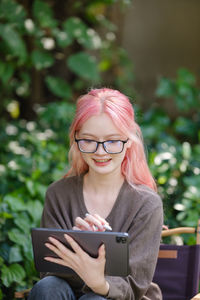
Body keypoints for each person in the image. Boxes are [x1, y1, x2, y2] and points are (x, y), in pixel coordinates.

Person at [28, 88, 163, 300]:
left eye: (112, 141)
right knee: (47, 287)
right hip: (66, 292)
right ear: (76, 139)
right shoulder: (58, 194)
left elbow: (135, 287)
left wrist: (99, 281)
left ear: (128, 141)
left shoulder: (146, 204)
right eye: (89, 140)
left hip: (120, 297)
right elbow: (48, 271)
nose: (101, 152)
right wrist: (74, 247)